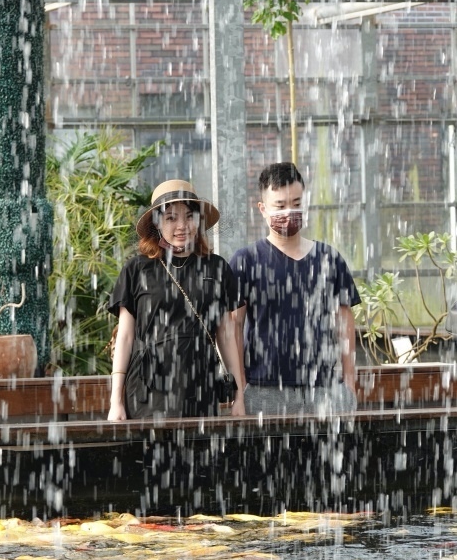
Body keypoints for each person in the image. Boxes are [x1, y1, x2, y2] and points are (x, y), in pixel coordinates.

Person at [107, 179, 245, 420]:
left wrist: (239, 397)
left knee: (199, 456)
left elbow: (226, 334)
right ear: (157, 224)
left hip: (201, 386)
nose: (182, 225)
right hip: (148, 390)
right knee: (150, 457)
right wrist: (115, 401)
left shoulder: (216, 268)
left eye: (189, 216)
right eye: (171, 217)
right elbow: (126, 336)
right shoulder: (137, 269)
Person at [230, 162, 360, 416]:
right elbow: (233, 326)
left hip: (325, 389)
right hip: (263, 390)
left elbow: (344, 322)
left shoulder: (329, 259)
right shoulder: (246, 260)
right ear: (263, 209)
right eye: (280, 205)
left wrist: (350, 385)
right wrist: (240, 390)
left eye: (297, 202)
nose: (289, 211)